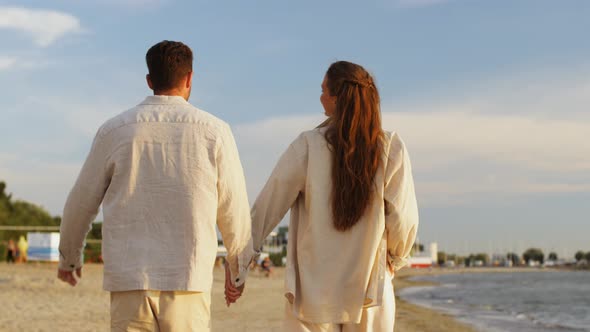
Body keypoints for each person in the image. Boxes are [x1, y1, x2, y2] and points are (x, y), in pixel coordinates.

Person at [58, 40, 254, 331]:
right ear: (189, 78)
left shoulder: (114, 130)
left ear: (149, 80)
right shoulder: (215, 131)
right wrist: (237, 268)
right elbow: (233, 206)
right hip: (188, 278)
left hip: (129, 279)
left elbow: (81, 201)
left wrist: (69, 258)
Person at [239, 61, 419, 331]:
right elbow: (403, 218)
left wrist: (240, 261)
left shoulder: (308, 145)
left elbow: (268, 206)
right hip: (369, 289)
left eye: (324, 90)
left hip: (313, 291)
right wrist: (396, 259)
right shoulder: (390, 147)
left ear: (337, 99)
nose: (320, 96)